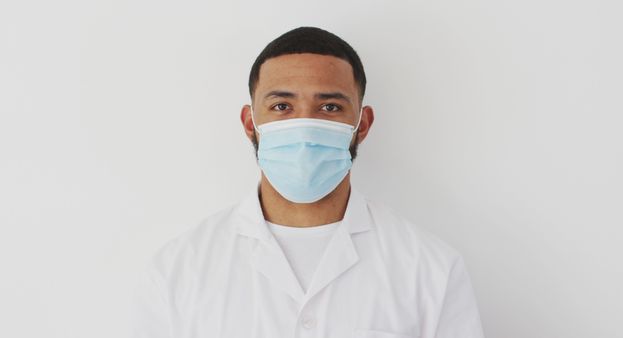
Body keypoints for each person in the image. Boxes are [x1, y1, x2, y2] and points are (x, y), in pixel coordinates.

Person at [131, 26, 485, 338]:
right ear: (250, 122)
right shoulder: (179, 271)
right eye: (282, 106)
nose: (304, 125)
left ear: (361, 124)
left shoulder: (430, 270)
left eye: (329, 107)